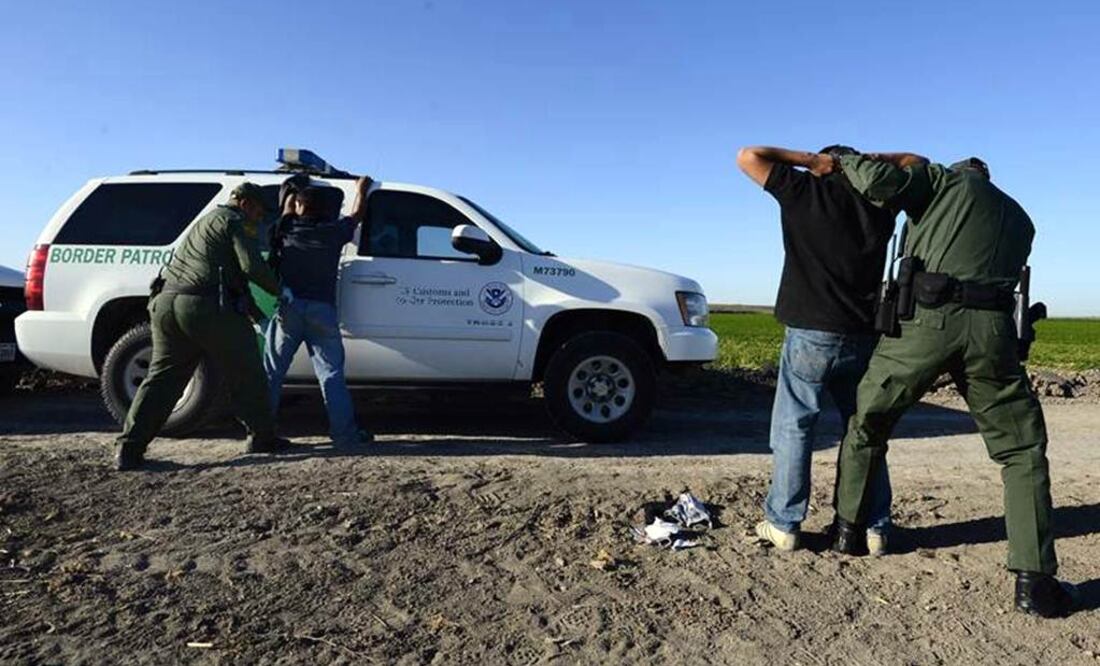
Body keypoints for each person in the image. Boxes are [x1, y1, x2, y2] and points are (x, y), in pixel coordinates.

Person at [829, 152, 1076, 618]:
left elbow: (879, 182)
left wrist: (846, 158)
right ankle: (1034, 581)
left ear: (959, 172)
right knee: (1021, 452)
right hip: (994, 334)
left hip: (926, 324)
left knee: (869, 422)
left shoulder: (942, 183)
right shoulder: (1021, 219)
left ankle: (848, 531)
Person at [736, 145, 896, 553]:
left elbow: (748, 156)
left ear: (823, 167)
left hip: (809, 330)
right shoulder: (879, 200)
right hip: (862, 333)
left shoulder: (804, 190)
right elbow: (918, 161)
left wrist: (810, 162)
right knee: (864, 430)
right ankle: (874, 526)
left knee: (794, 425)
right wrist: (865, 163)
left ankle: (784, 522)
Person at [114, 183, 292, 470]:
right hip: (203, 307)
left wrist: (253, 310)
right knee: (247, 370)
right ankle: (262, 437)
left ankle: (129, 448)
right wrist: (280, 290)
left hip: (166, 303)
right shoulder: (236, 221)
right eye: (259, 211)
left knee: (161, 379)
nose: (260, 217)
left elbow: (226, 272)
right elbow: (250, 266)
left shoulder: (205, 221)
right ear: (245, 203)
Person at [264, 176, 373, 449]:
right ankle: (344, 436)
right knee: (331, 374)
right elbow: (357, 214)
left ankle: (261, 433)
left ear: (300, 205)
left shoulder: (286, 229)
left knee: (272, 373)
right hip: (322, 311)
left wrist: (292, 192)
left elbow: (287, 211)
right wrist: (361, 189)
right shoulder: (333, 232)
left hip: (289, 309)